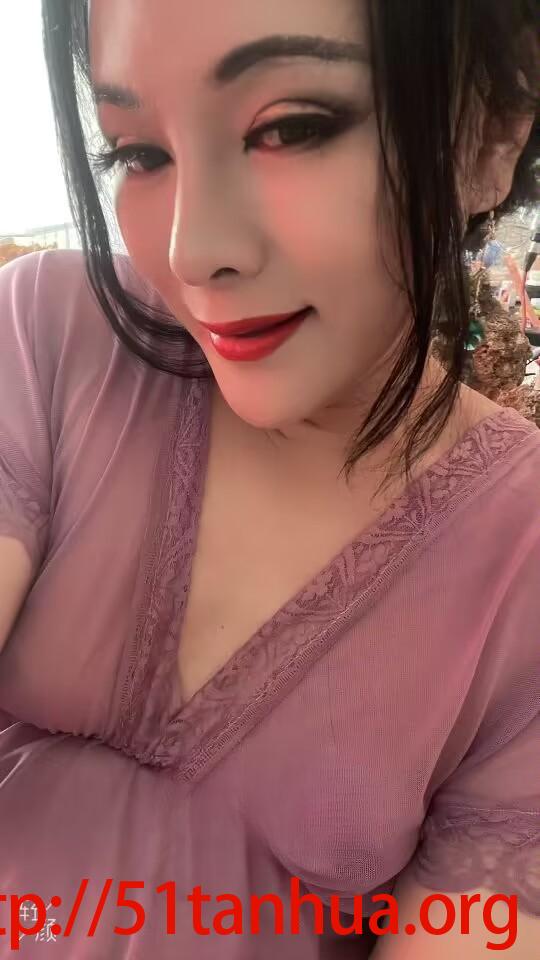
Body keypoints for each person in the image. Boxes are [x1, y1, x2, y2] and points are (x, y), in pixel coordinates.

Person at [0, 1, 538, 957]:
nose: (191, 250)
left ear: (491, 129)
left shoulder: (523, 564)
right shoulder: (47, 338)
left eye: (291, 128)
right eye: (139, 153)